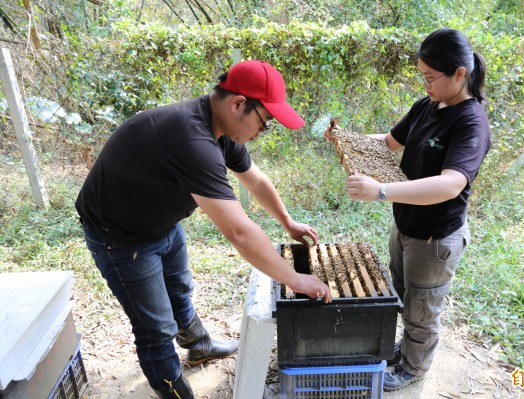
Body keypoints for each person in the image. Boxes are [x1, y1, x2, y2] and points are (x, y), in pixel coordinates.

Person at [76, 60, 332, 399]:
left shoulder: (219, 127)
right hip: (120, 237)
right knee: (156, 328)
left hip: (160, 223)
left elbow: (254, 179)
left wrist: (286, 221)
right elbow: (239, 231)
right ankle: (175, 392)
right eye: (264, 123)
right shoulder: (192, 140)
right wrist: (295, 279)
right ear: (238, 104)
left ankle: (199, 346)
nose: (262, 132)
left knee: (179, 290)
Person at [326, 28, 490, 391]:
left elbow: (450, 184)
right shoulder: (425, 106)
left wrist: (381, 190)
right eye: (423, 77)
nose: (426, 86)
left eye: (431, 78)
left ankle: (414, 368)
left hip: (436, 237)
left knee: (423, 309)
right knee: (404, 294)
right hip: (406, 225)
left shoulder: (471, 122)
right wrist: (346, 137)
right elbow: (387, 143)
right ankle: (408, 349)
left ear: (459, 74)